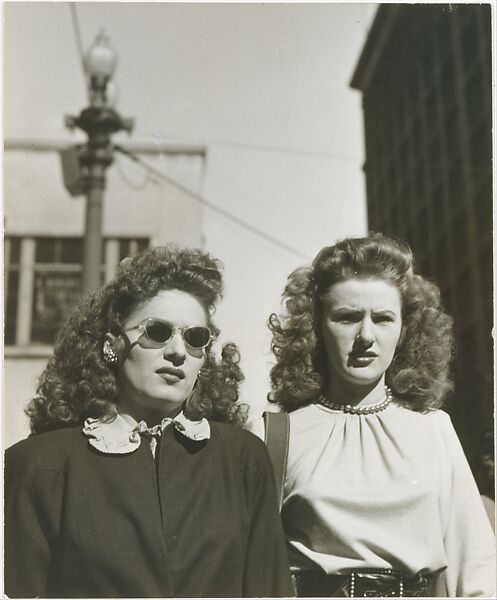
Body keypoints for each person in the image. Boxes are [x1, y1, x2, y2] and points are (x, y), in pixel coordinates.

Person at [5, 246, 294, 599]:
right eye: (157, 332)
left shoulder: (244, 459)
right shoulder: (36, 465)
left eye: (195, 338)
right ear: (113, 344)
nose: (177, 352)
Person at [247, 233, 495, 597]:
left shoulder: (434, 429)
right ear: (316, 327)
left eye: (382, 318)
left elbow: (475, 569)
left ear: (405, 329)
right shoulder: (273, 436)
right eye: (347, 318)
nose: (366, 335)